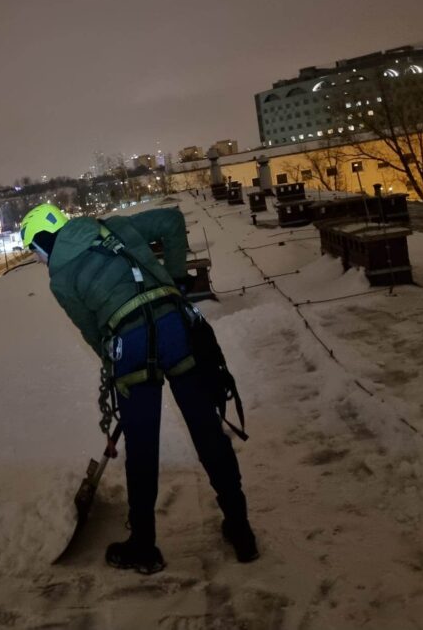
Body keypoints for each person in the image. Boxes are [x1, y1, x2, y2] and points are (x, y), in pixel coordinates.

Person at [20, 203, 257, 574]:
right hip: (174, 327)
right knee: (206, 429)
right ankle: (241, 529)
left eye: (33, 250)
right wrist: (176, 280)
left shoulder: (60, 276)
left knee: (143, 447)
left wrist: (113, 364)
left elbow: (90, 329)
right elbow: (171, 221)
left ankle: (144, 545)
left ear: (42, 241)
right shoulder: (111, 226)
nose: (36, 259)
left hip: (127, 342)